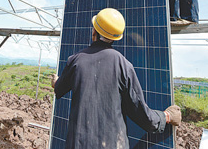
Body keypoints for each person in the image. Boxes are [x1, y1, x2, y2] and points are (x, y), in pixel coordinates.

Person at [51, 8, 182, 149]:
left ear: (94, 31)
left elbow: (59, 88)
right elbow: (139, 111)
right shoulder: (124, 65)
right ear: (116, 37)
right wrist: (166, 116)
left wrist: (56, 81)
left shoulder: (76, 61)